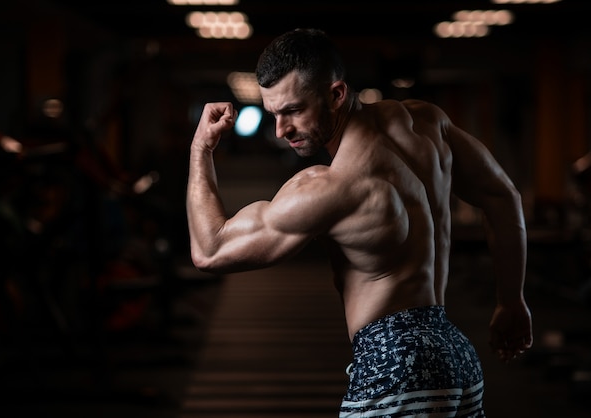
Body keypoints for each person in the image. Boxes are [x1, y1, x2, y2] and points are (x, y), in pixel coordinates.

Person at [186, 28, 533, 417]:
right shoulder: (427, 124)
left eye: (294, 111)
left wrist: (201, 149)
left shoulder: (330, 187)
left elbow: (210, 250)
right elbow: (503, 196)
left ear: (336, 94)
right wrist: (512, 301)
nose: (281, 131)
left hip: (395, 372)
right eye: (274, 114)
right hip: (457, 358)